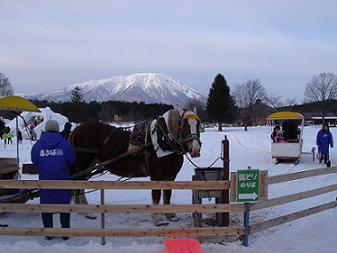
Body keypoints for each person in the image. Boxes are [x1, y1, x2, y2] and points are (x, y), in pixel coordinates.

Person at [31, 120, 76, 240]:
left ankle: (49, 233)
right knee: (64, 207)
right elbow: (72, 159)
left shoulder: (38, 145)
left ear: (46, 129)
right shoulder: (65, 144)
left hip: (45, 181)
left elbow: (34, 160)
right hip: (63, 181)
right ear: (57, 129)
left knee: (46, 206)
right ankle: (65, 233)